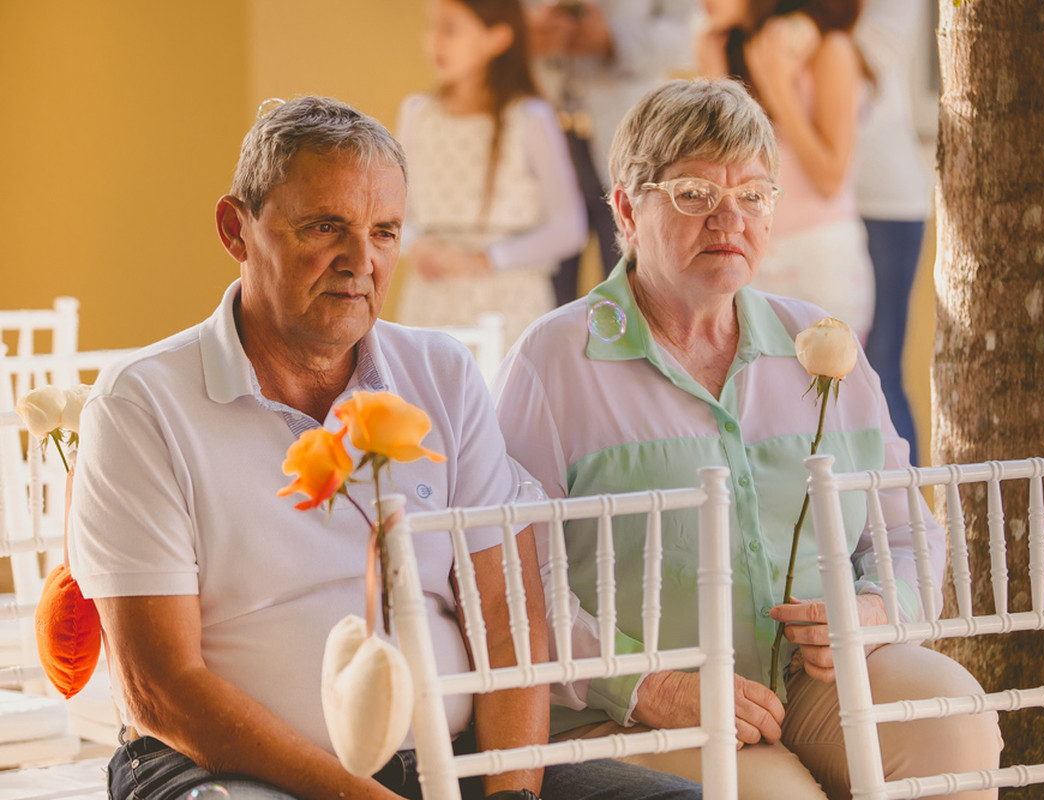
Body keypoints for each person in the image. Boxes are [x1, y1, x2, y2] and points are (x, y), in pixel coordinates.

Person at [68, 96, 702, 800]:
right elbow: (163, 688)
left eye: (385, 231)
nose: (360, 261)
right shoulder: (139, 403)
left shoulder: (442, 373)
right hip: (222, 767)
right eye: (325, 226)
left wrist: (512, 795)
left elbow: (505, 619)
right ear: (234, 230)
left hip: (447, 758)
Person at [493, 79, 1002, 800]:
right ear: (627, 209)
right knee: (773, 796)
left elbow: (908, 535)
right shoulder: (553, 361)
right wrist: (653, 685)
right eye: (696, 193)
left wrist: (872, 612)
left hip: (812, 680)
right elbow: (514, 584)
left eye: (755, 195)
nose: (730, 217)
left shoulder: (818, 343)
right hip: (645, 710)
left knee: (951, 722)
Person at [396, 0, 586, 349]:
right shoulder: (416, 113)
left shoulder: (531, 117)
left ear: (497, 38)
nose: (433, 42)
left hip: (510, 307)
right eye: (431, 27)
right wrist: (417, 245)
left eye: (450, 29)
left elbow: (568, 228)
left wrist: (486, 260)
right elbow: (393, 213)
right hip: (430, 304)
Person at [699, 0, 875, 340]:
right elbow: (726, 168)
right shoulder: (728, 48)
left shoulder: (830, 48)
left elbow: (830, 179)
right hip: (747, 255)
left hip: (818, 264)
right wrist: (716, 77)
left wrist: (778, 84)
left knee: (824, 392)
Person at [525, 0, 696, 304]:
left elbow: (690, 33)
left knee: (631, 286)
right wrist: (525, 35)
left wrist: (615, 39)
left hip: (627, 137)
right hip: (538, 129)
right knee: (544, 290)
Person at [855, 0, 932, 464]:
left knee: (880, 372)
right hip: (813, 214)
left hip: (886, 199)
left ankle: (908, 530)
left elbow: (870, 51)